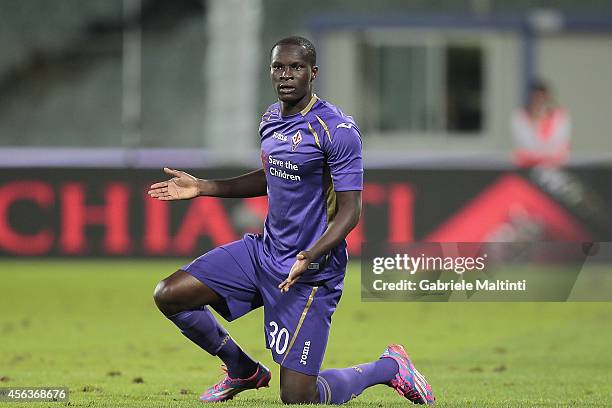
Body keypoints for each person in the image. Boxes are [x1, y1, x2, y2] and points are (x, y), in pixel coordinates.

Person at [148, 36, 434, 405]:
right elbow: (271, 176)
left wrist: (310, 254)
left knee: (299, 398)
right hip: (264, 253)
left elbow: (351, 211)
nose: (286, 75)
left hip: (311, 272)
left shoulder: (337, 131)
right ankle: (242, 369)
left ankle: (390, 367)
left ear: (313, 73)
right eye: (278, 67)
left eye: (296, 67)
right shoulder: (270, 118)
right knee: (170, 295)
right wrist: (203, 186)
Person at [512, 79, 571, 168]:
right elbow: (526, 144)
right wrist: (534, 122)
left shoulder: (560, 116)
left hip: (556, 166)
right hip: (527, 167)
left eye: (542, 97)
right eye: (535, 97)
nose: (539, 100)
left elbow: (559, 142)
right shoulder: (520, 116)